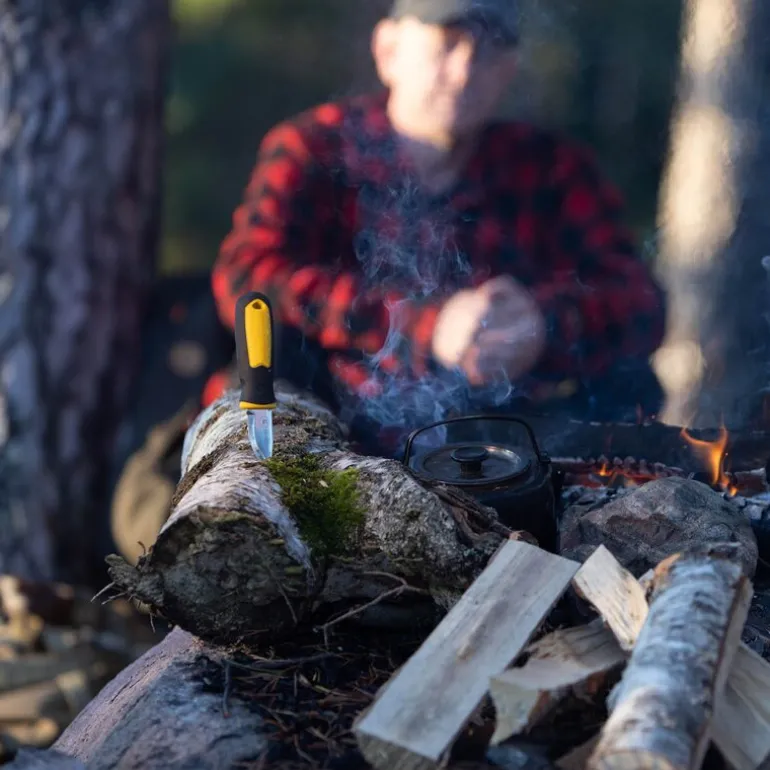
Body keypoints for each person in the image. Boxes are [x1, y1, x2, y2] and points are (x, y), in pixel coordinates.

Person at [207, 0, 665, 450]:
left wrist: (542, 325)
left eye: (488, 50)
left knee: (629, 384)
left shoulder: (551, 168)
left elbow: (641, 302)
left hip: (503, 442)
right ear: (389, 51)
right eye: (446, 44)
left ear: (509, 68)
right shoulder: (315, 149)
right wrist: (423, 325)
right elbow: (247, 279)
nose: (464, 72)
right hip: (330, 430)